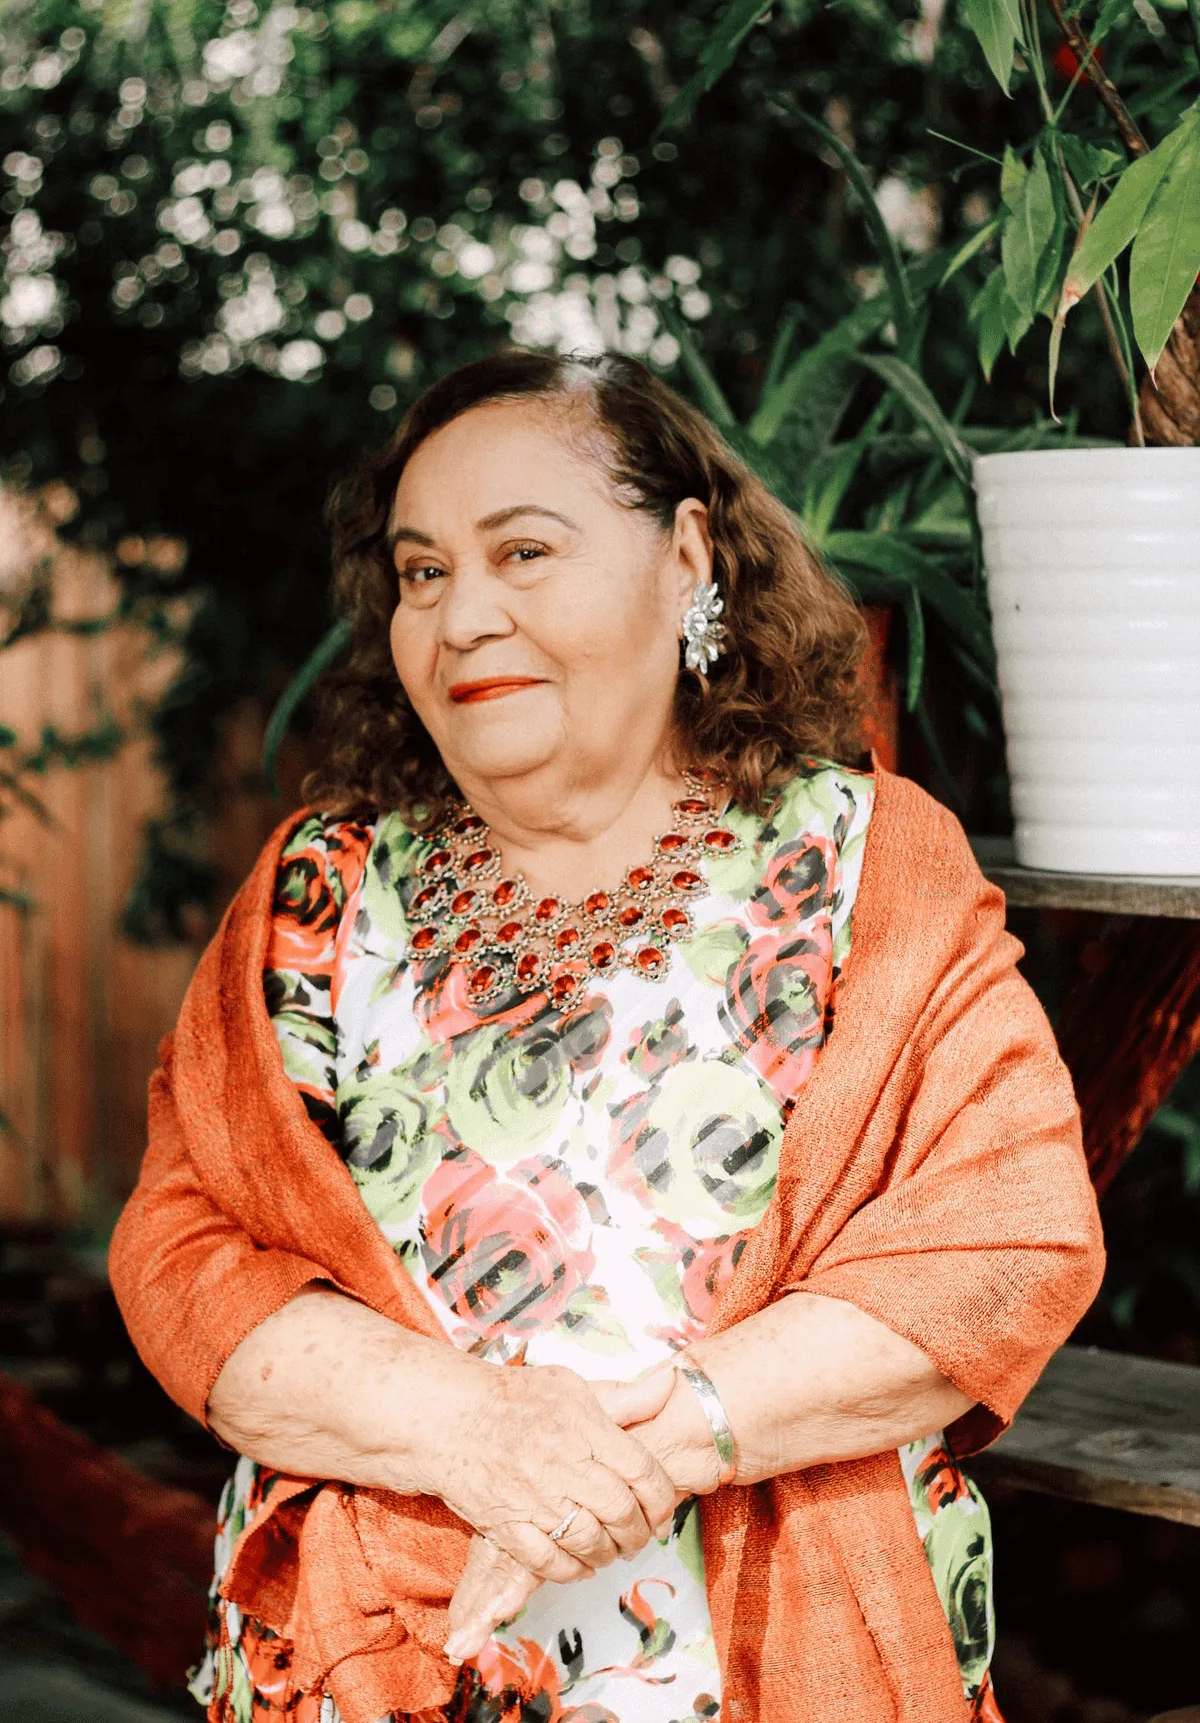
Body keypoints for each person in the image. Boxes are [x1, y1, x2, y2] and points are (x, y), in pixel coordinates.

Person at [110, 350, 1104, 1723]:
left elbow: (1012, 1235)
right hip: (370, 1667)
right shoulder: (313, 897)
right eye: (421, 573)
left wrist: (669, 1436)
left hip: (776, 1667)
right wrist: (471, 1432)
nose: (462, 620)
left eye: (523, 551)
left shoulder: (868, 863)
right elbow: (180, 1253)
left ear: (688, 555)